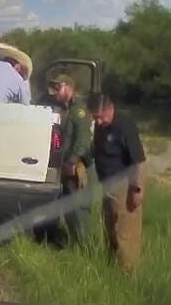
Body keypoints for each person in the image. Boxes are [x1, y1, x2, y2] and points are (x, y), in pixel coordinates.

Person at [87, 93, 147, 271]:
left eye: (100, 117)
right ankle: (112, 267)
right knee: (110, 230)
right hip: (107, 186)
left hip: (124, 187)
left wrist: (137, 189)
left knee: (125, 233)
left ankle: (127, 273)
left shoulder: (124, 125)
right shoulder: (100, 126)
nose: (98, 122)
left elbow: (139, 161)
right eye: (95, 118)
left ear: (110, 108)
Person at [50, 74, 93, 243]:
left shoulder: (79, 110)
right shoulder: (66, 109)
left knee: (78, 208)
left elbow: (82, 139)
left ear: (68, 86)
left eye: (57, 88)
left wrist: (73, 160)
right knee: (69, 208)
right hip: (66, 164)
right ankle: (74, 242)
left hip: (75, 166)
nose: (55, 92)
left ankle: (84, 245)